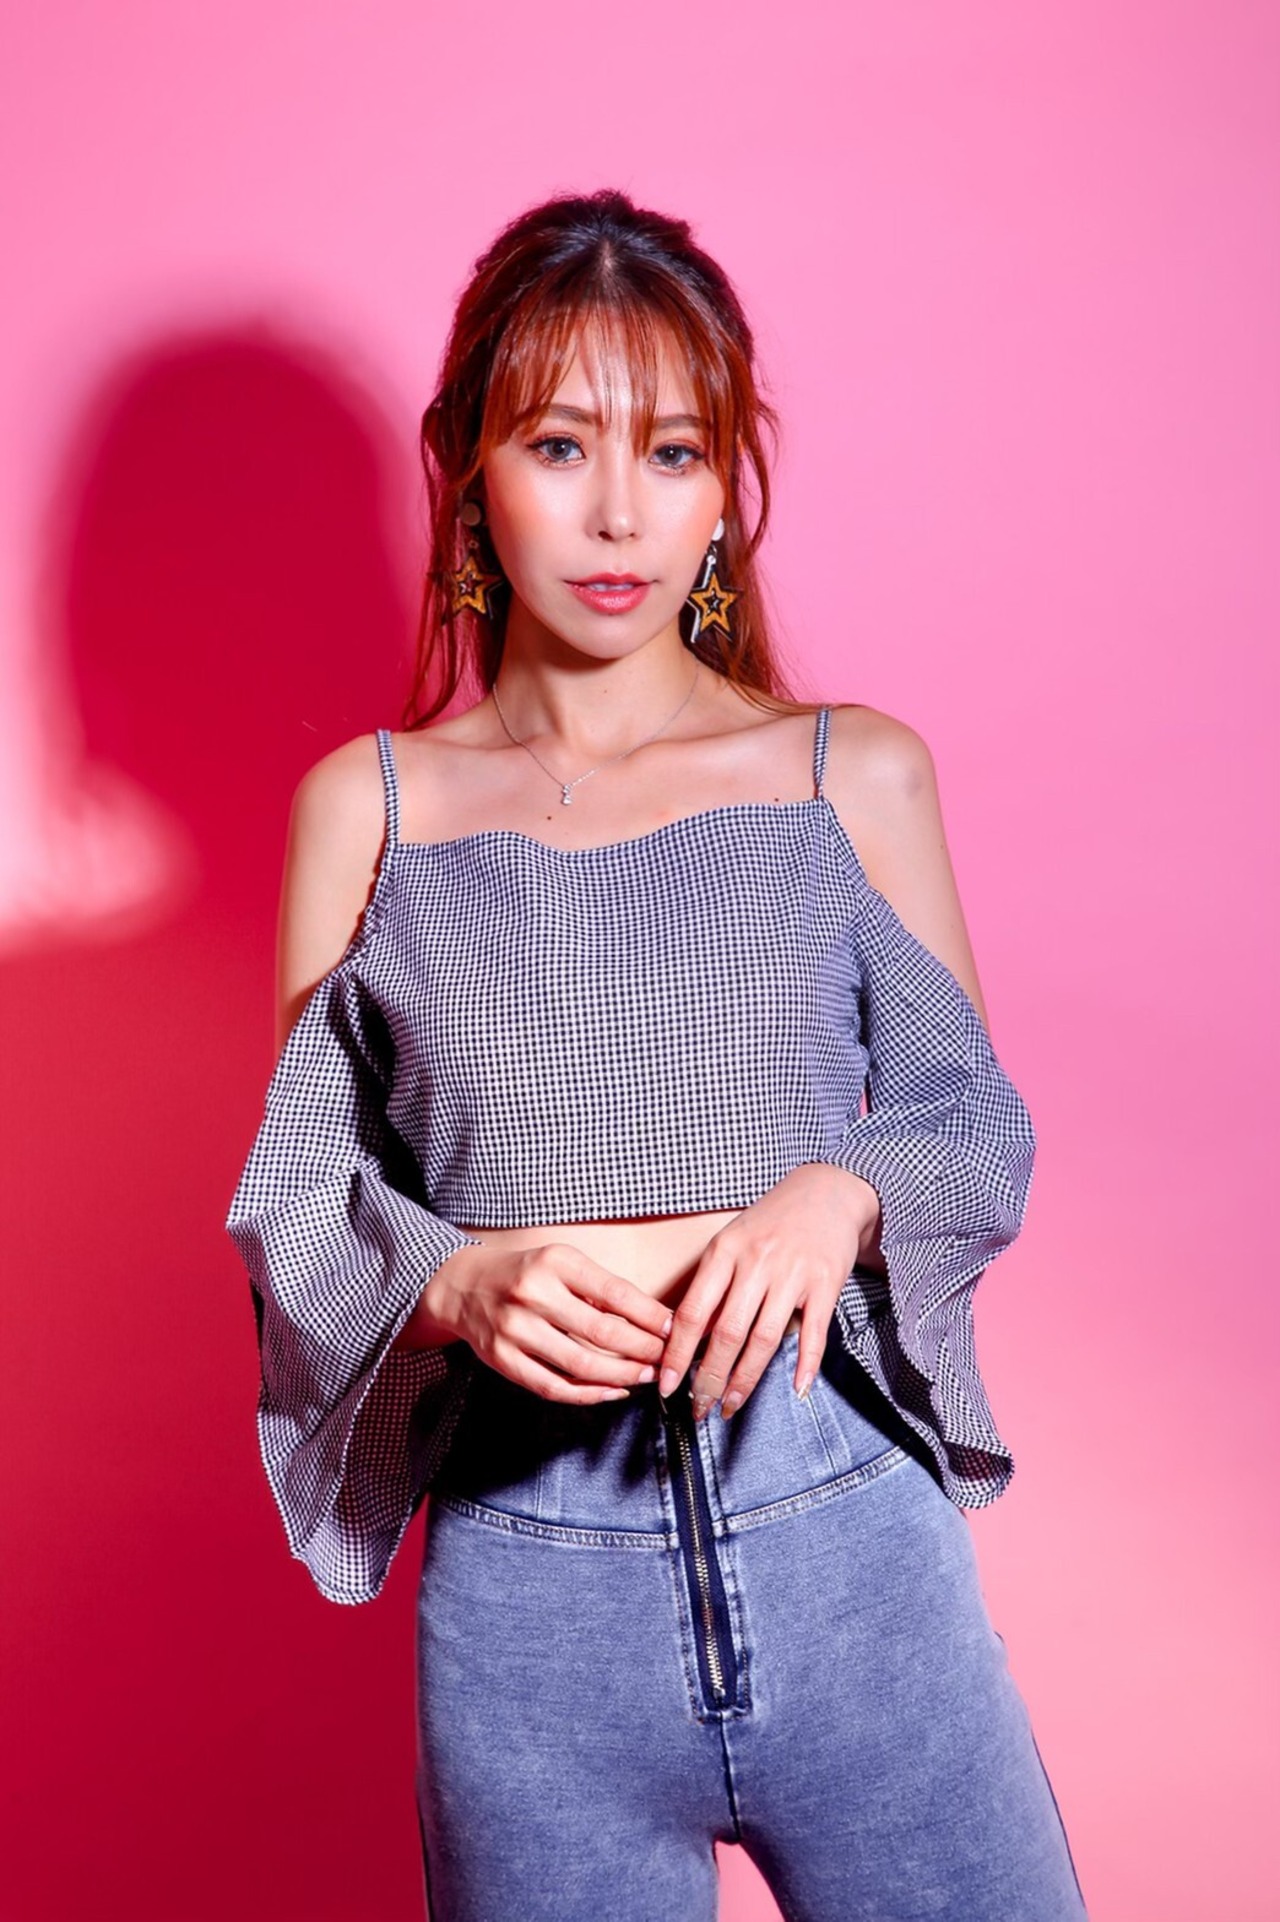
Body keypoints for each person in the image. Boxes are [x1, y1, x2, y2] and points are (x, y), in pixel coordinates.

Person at [226, 188, 1087, 1922]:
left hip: (852, 1551)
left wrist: (842, 1192)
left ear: (723, 486)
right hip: (531, 1612)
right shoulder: (371, 810)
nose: (621, 512)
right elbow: (301, 1204)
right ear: (468, 465)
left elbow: (969, 1119)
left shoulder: (851, 773)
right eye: (559, 444)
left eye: (674, 451)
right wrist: (456, 1277)